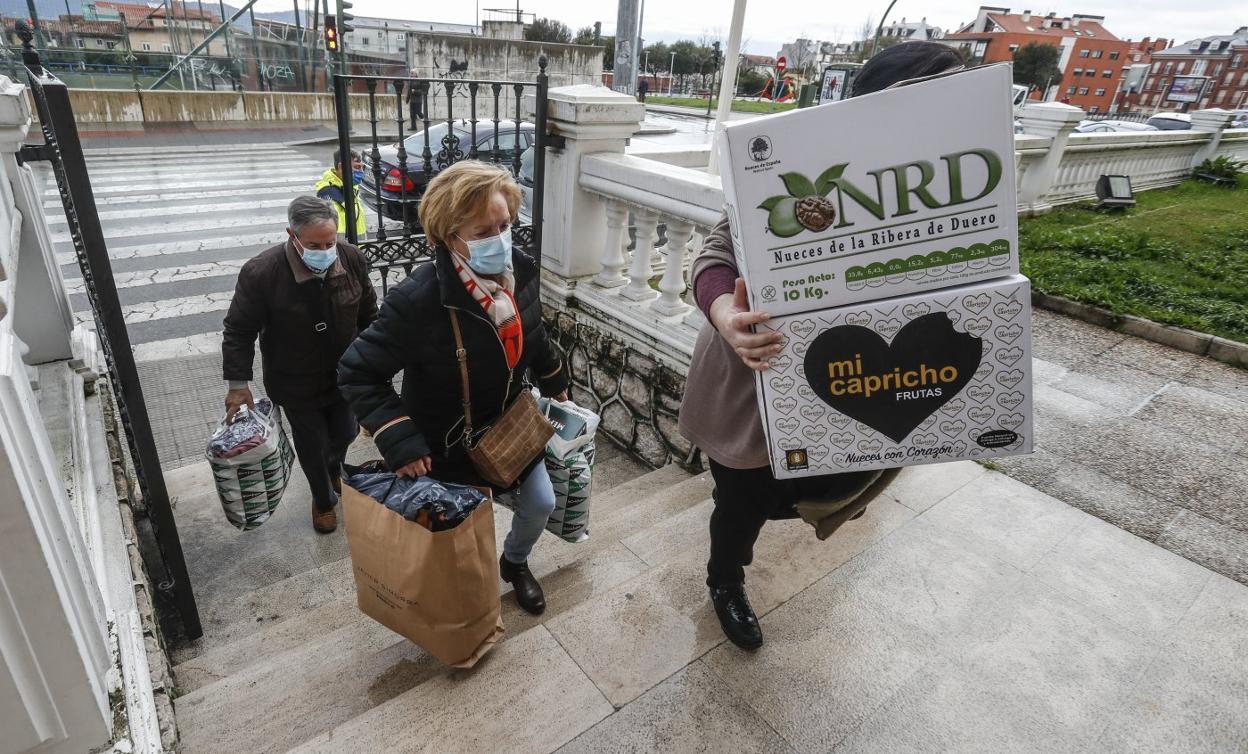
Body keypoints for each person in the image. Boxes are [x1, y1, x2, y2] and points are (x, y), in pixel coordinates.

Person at [678, 40, 966, 651]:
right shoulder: (799, 167)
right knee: (742, 499)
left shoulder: (958, 176)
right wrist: (728, 312)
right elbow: (715, 254)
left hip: (863, 372)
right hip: (761, 376)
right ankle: (724, 579)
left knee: (831, 483)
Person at [338, 161, 569, 616]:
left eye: (505, 225)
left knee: (541, 502)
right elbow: (356, 371)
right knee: (465, 533)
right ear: (448, 236)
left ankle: (515, 563)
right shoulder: (419, 299)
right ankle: (469, 598)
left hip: (511, 430)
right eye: (483, 232)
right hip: (447, 445)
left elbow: (533, 329)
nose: (500, 239)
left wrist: (555, 379)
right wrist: (399, 439)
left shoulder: (518, 267)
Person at [222, 196, 379, 534]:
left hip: (344, 374)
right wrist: (238, 385)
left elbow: (369, 313)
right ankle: (322, 499)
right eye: (314, 244)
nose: (324, 250)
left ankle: (334, 468)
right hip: (295, 381)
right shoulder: (262, 273)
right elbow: (238, 330)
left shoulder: (350, 258)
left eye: (330, 241)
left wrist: (372, 360)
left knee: (345, 432)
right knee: (312, 444)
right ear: (291, 235)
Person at [315, 151, 367, 239]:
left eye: (362, 167)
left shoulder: (351, 185)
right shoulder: (329, 194)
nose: (361, 172)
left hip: (357, 248)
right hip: (341, 250)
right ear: (341, 167)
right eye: (357, 167)